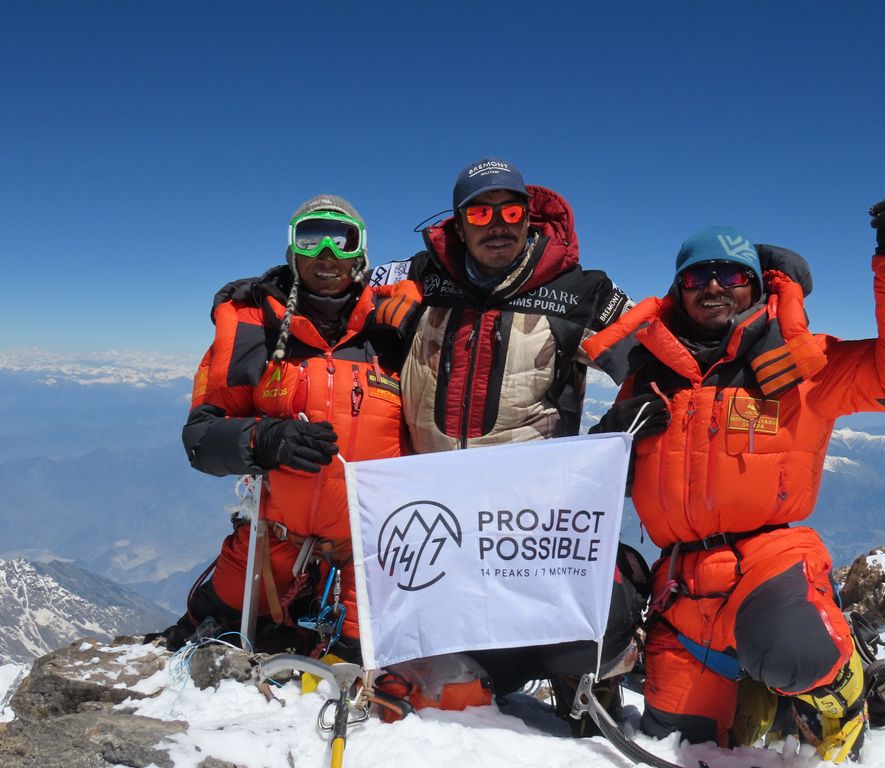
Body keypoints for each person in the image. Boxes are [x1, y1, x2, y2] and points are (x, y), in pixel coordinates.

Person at [584, 191, 885, 761]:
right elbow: (588, 486)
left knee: (794, 650)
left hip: (771, 562)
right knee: (679, 743)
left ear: (758, 285)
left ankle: (842, 699)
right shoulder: (647, 380)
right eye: (698, 276)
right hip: (682, 584)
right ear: (678, 290)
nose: (714, 286)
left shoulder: (803, 363)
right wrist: (615, 433)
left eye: (733, 274)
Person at [368, 158, 644, 727]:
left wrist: (614, 435)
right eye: (480, 211)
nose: (498, 224)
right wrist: (273, 293)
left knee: (605, 617)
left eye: (511, 210)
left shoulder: (581, 293)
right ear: (459, 222)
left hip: (528, 521)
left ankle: (579, 684)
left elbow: (656, 363)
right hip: (433, 511)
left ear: (529, 216)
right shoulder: (423, 276)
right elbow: (337, 286)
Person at [171, 194, 407, 658]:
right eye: (310, 237)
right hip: (269, 554)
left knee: (369, 675)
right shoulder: (249, 327)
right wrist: (264, 439)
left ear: (361, 253)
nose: (326, 254)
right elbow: (200, 440)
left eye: (342, 240)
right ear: (291, 249)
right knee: (202, 637)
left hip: (369, 561)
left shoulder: (395, 332)